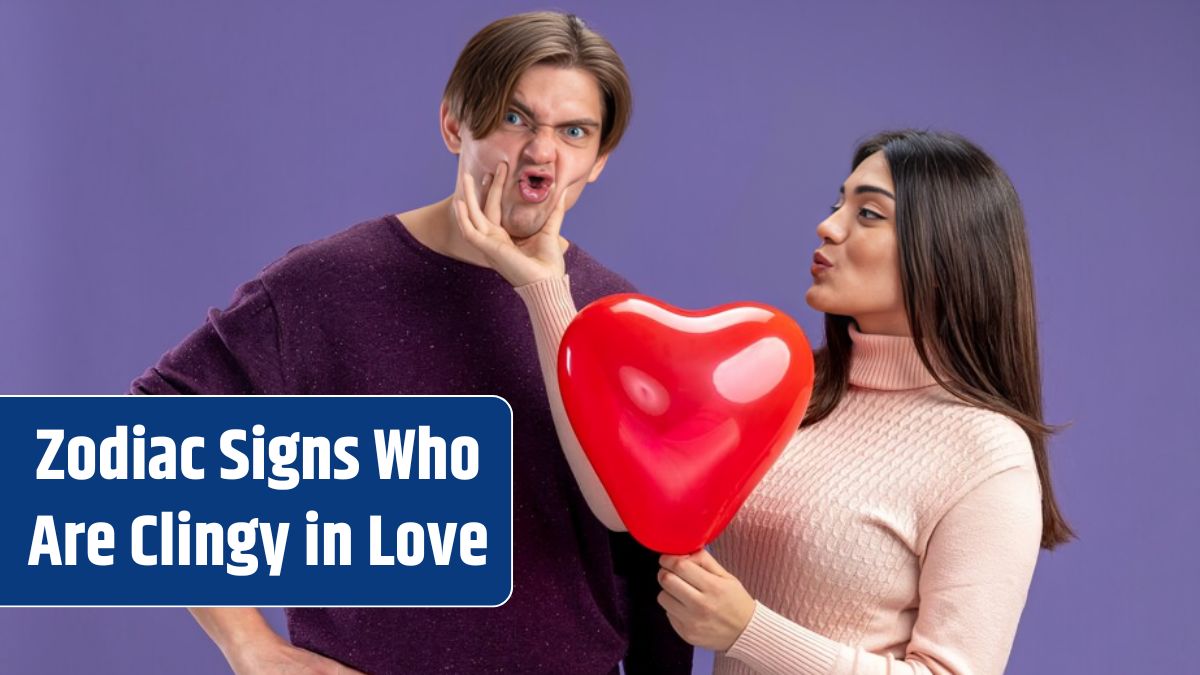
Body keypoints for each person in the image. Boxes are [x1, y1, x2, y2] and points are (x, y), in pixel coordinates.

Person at [130, 11, 693, 675]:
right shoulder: (327, 283)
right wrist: (247, 644)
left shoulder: (624, 320)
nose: (543, 152)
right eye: (516, 118)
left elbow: (657, 558)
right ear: (455, 123)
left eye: (574, 131)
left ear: (598, 161)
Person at [456, 129, 1073, 674]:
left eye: (869, 215)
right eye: (838, 204)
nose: (828, 226)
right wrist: (542, 287)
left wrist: (749, 630)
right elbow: (619, 501)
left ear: (945, 255)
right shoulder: (791, 398)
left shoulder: (986, 453)